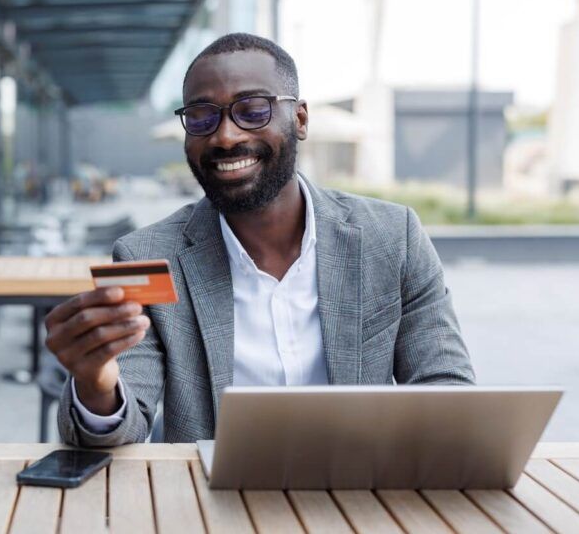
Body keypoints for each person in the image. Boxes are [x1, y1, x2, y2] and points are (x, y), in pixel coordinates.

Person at [46, 33, 475, 447]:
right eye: (201, 115)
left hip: (359, 499)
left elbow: (448, 390)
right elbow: (122, 428)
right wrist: (95, 382)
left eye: (253, 110)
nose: (226, 136)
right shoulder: (149, 257)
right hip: (215, 508)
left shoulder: (391, 237)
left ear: (300, 119)